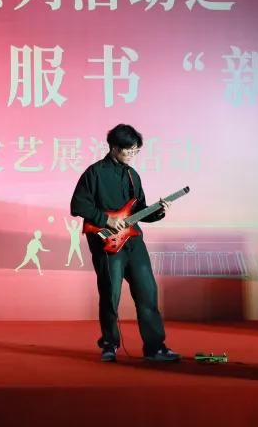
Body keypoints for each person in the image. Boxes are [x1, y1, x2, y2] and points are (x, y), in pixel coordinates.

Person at [70, 124, 180, 363]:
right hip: (108, 242)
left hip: (133, 241)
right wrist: (106, 220)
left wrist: (159, 211)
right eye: (128, 149)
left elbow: (139, 210)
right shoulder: (94, 173)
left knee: (148, 292)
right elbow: (78, 205)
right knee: (111, 294)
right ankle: (109, 344)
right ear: (113, 147)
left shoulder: (133, 175)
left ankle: (154, 347)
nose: (132, 154)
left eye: (135, 150)